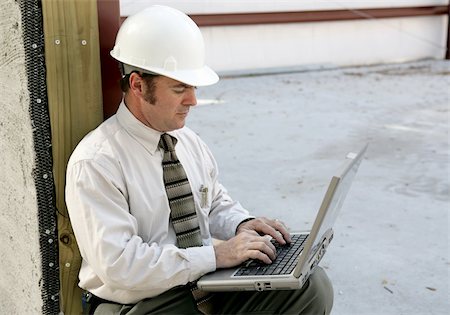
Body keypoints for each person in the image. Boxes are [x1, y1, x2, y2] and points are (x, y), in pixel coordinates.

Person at [66, 5, 333, 315]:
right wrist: (217, 257)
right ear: (138, 85)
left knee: (312, 288)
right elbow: (120, 264)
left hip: (203, 283)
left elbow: (214, 201)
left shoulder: (188, 142)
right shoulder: (97, 162)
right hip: (142, 303)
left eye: (193, 87)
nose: (192, 100)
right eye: (180, 88)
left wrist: (243, 226)